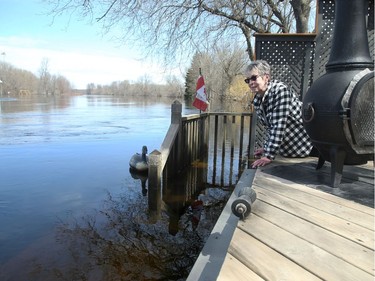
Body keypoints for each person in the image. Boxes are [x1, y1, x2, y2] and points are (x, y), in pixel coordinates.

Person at [244, 60, 313, 168]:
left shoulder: (280, 91)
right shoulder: (258, 100)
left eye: (253, 78)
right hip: (286, 150)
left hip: (302, 147)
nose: (250, 83)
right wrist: (266, 148)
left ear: (266, 77)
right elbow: (269, 128)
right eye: (247, 80)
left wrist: (269, 155)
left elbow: (278, 126)